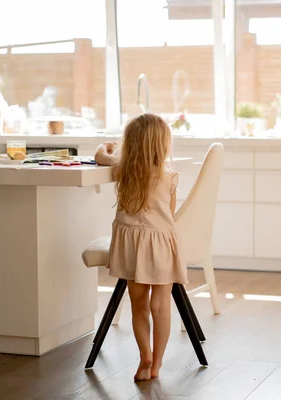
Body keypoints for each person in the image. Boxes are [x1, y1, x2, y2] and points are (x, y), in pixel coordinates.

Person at [94, 113, 187, 381]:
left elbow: (100, 156)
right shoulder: (169, 176)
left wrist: (106, 146)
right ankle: (156, 364)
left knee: (138, 306)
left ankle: (143, 356)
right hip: (159, 245)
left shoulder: (122, 168)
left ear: (131, 143)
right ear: (162, 145)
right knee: (161, 305)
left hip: (131, 246)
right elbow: (168, 216)